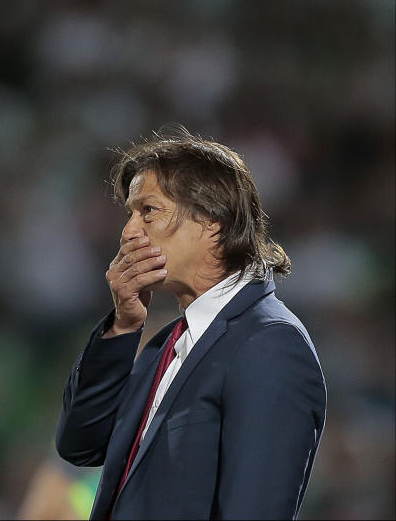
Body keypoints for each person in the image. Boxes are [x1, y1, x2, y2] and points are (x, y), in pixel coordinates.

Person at [56, 128, 326, 520]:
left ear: (211, 220)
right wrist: (122, 328)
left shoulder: (269, 344)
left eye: (148, 211)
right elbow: (80, 444)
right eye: (130, 214)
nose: (128, 232)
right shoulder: (165, 344)